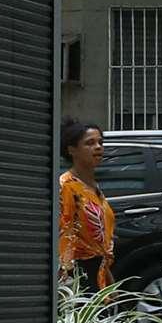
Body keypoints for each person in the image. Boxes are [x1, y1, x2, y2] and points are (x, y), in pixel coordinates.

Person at [57, 118, 115, 290]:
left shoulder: (93, 186)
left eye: (100, 142)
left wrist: (110, 281)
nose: (98, 147)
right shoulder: (67, 186)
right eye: (90, 143)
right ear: (72, 150)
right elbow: (65, 231)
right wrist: (66, 279)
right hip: (79, 274)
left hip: (99, 272)